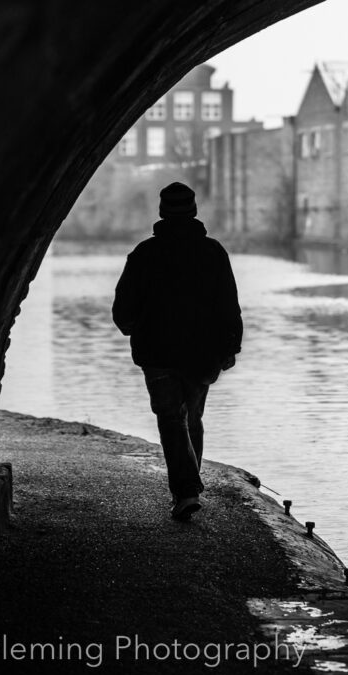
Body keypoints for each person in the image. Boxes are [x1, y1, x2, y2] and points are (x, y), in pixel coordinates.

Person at [112, 182, 242, 520]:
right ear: (194, 211)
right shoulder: (213, 252)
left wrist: (134, 328)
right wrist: (230, 347)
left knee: (172, 419)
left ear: (162, 213)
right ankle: (188, 488)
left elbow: (123, 308)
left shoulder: (144, 254)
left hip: (157, 352)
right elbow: (229, 305)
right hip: (202, 354)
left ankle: (185, 491)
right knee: (191, 418)